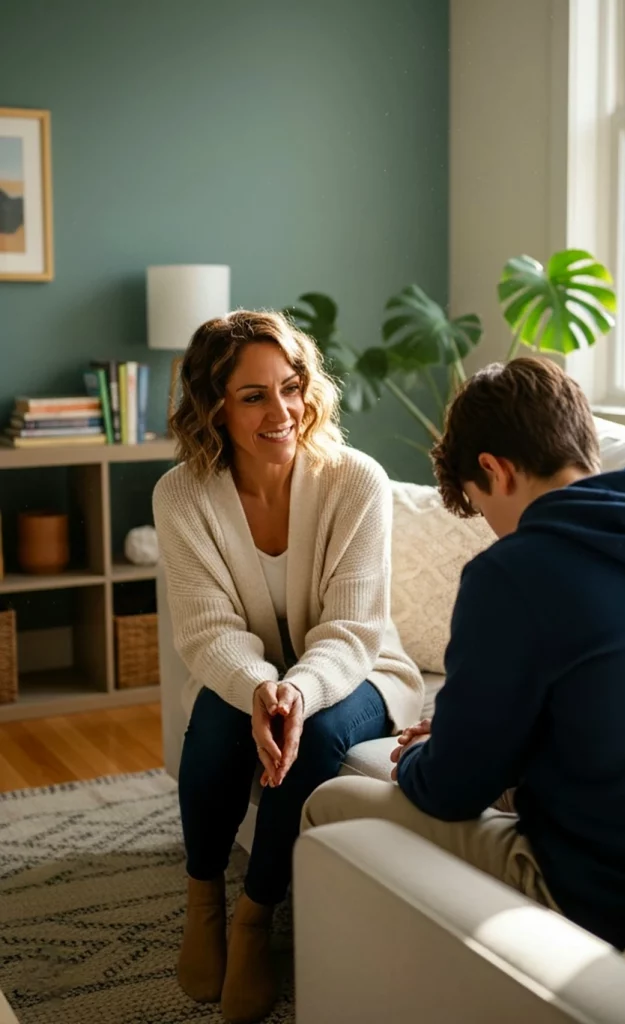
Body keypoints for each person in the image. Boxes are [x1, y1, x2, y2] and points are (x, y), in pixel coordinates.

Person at [302, 356, 625, 951]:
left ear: (495, 470)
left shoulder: (514, 572)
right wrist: (468, 738)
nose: (494, 531)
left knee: (329, 805)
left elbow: (448, 792)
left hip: (616, 903)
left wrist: (426, 756)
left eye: (482, 508)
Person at [153, 310, 422, 1023]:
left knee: (320, 730)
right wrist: (259, 686)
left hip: (359, 671)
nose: (282, 412)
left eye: (292, 387)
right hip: (251, 672)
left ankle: (253, 918)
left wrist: (295, 690)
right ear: (213, 407)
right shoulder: (181, 495)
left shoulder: (355, 481)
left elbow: (353, 629)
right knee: (217, 716)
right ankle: (203, 900)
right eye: (253, 396)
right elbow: (207, 631)